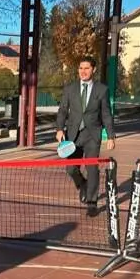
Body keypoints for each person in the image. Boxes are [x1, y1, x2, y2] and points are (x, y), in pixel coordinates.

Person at [55, 56, 116, 216]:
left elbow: (106, 114)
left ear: (93, 70)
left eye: (87, 68)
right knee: (71, 168)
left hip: (92, 136)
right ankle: (82, 184)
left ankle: (92, 202)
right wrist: (60, 129)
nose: (83, 71)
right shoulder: (70, 89)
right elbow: (62, 111)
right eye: (81, 68)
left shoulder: (101, 90)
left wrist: (110, 136)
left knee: (92, 168)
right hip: (73, 135)